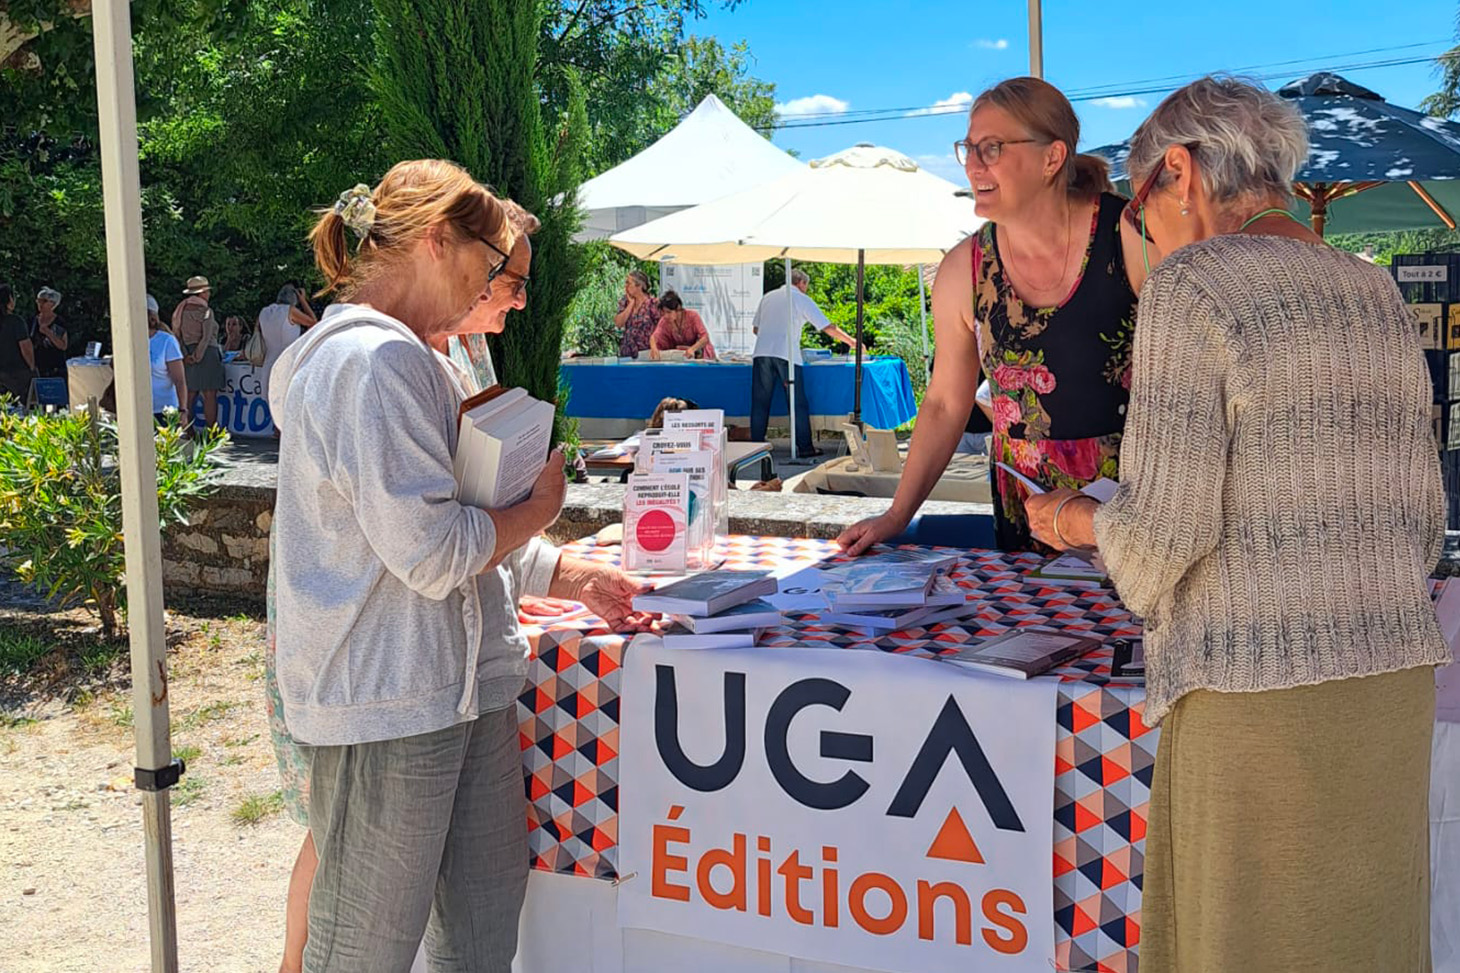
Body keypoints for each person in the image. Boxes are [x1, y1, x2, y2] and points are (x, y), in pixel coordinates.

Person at [1022, 77, 1450, 973]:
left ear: (1178, 171)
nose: (1144, 233)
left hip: (1259, 695)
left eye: (1139, 208)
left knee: (1245, 943)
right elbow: (1423, 517)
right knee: (1366, 940)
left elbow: (1158, 541)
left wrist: (1071, 519)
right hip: (1391, 681)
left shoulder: (1195, 285)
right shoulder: (1371, 291)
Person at [267, 160, 654, 973]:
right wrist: (537, 512)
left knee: (477, 937)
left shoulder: (415, 358)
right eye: (490, 268)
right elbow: (434, 552)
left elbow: (451, 533)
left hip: (452, 687)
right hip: (387, 700)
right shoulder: (372, 363)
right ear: (439, 243)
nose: (495, 292)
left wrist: (560, 568)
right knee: (366, 948)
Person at [839, 78, 1149, 554]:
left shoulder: (1129, 238)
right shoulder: (964, 268)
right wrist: (897, 514)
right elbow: (944, 402)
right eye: (968, 147)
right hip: (1024, 515)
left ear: (1052, 158)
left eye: (992, 147)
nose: (972, 164)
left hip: (1134, 517)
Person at [749, 268, 859, 457]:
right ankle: (805, 447)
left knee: (760, 403)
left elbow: (756, 329)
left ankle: (754, 448)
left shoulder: (768, 296)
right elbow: (826, 326)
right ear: (801, 283)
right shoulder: (800, 298)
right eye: (806, 286)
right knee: (797, 402)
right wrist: (851, 341)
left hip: (761, 353)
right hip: (786, 354)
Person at [257, 284, 318, 433]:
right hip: (287, 359)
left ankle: (277, 430)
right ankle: (282, 432)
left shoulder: (265, 312)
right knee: (288, 399)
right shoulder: (289, 311)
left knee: (275, 398)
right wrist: (304, 301)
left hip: (269, 358)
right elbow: (314, 323)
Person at [172, 275, 225, 430]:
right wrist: (198, 355)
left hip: (186, 352)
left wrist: (185, 354)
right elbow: (207, 336)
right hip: (207, 354)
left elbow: (177, 335)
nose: (208, 294)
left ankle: (187, 430)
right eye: (207, 291)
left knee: (190, 394)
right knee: (209, 396)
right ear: (202, 293)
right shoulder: (206, 311)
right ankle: (212, 432)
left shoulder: (180, 311)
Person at [146, 294, 187, 421]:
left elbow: (179, 380)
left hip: (163, 411)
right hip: (135, 409)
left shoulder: (166, 341)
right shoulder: (127, 339)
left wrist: (183, 410)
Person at [649, 290, 714, 360]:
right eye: (664, 312)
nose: (666, 316)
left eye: (669, 312)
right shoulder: (664, 321)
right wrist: (654, 348)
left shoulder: (693, 316)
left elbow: (705, 338)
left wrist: (692, 349)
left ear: (678, 309)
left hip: (701, 357)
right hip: (681, 358)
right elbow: (654, 337)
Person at [0, 284, 36, 402]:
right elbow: (26, 348)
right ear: (9, 300)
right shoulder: (16, 321)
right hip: (17, 372)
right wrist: (31, 367)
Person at [612, 269, 658, 358]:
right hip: (627, 354)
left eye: (628, 283)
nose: (625, 286)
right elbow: (618, 323)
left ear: (639, 286)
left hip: (646, 353)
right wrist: (631, 304)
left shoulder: (653, 303)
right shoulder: (625, 302)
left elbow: (661, 327)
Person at [29, 286, 69, 377]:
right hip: (38, 368)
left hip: (56, 368)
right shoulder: (32, 321)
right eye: (38, 301)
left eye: (43, 301)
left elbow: (63, 345)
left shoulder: (59, 322)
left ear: (52, 304)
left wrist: (48, 333)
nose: (40, 304)